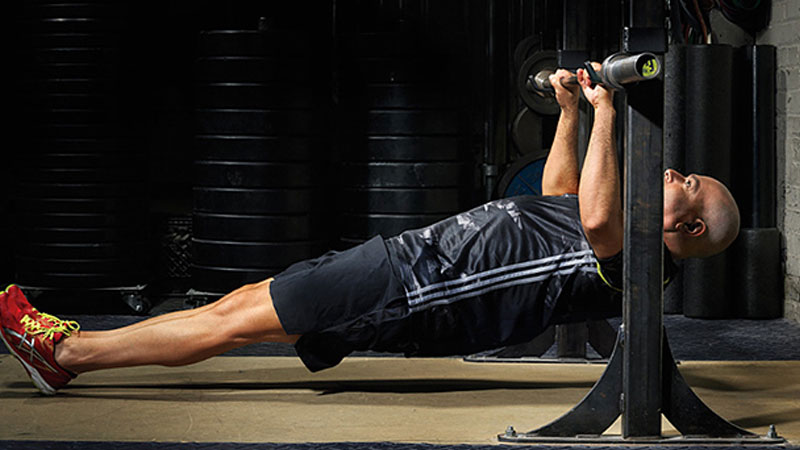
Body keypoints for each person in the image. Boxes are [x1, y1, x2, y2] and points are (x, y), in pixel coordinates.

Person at [0, 64, 740, 395]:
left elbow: (599, 219)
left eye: (689, 182)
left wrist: (609, 106)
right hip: (407, 268)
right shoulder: (611, 231)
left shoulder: (641, 260)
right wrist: (575, 111)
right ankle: (70, 350)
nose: (674, 174)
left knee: (232, 318)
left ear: (694, 224)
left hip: (414, 288)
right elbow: (562, 198)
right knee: (242, 307)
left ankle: (66, 350)